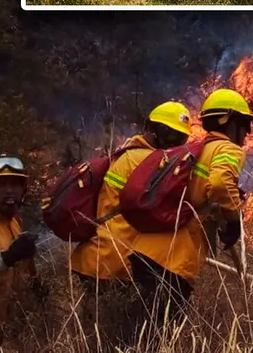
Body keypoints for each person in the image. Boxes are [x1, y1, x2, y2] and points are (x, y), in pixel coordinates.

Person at [128, 89, 253, 332]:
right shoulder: (228, 149)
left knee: (141, 331)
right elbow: (220, 183)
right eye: (245, 125)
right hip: (173, 260)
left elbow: (198, 193)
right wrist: (233, 219)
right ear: (229, 122)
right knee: (161, 335)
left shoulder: (193, 150)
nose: (247, 133)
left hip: (145, 250)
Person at [68, 101, 192, 345]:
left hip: (98, 258)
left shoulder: (129, 153)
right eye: (169, 134)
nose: (173, 142)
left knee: (98, 338)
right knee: (119, 339)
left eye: (179, 138)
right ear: (152, 129)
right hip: (113, 261)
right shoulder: (146, 160)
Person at [0, 154, 45, 347]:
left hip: (5, 332)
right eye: (1, 184)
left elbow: (23, 270)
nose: (9, 190)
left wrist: (37, 287)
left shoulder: (15, 224)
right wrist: (7, 258)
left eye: (15, 184)